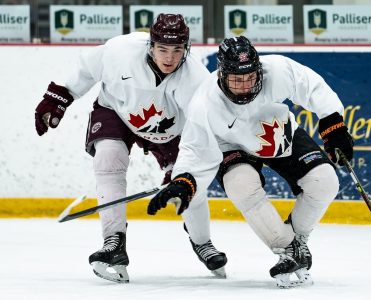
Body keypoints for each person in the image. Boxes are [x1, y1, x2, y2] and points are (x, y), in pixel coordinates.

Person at [146, 36, 354, 287]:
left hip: (276, 132)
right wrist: (184, 180)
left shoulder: (277, 70)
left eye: (250, 77)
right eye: (236, 79)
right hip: (231, 146)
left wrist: (333, 124)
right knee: (241, 185)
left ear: (258, 69)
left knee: (325, 181)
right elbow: (194, 149)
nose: (245, 86)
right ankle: (288, 249)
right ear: (222, 75)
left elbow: (312, 87)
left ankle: (298, 239)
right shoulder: (204, 103)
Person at [34, 14, 227, 283]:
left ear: (187, 49)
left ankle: (202, 242)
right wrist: (59, 97)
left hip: (169, 131)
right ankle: (113, 241)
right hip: (117, 111)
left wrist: (183, 172)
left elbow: (201, 134)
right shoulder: (119, 50)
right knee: (108, 160)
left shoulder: (196, 80)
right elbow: (86, 70)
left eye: (176, 50)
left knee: (189, 186)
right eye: (162, 49)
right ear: (151, 45)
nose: (169, 58)